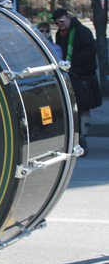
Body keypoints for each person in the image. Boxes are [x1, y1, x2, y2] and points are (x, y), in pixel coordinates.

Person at [52, 8, 102, 154]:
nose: (59, 24)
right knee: (74, 108)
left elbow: (90, 50)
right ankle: (76, 137)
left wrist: (73, 63)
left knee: (84, 107)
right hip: (71, 75)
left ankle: (83, 138)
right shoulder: (60, 35)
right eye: (56, 22)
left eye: (61, 21)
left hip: (83, 75)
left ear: (68, 18)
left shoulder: (82, 31)